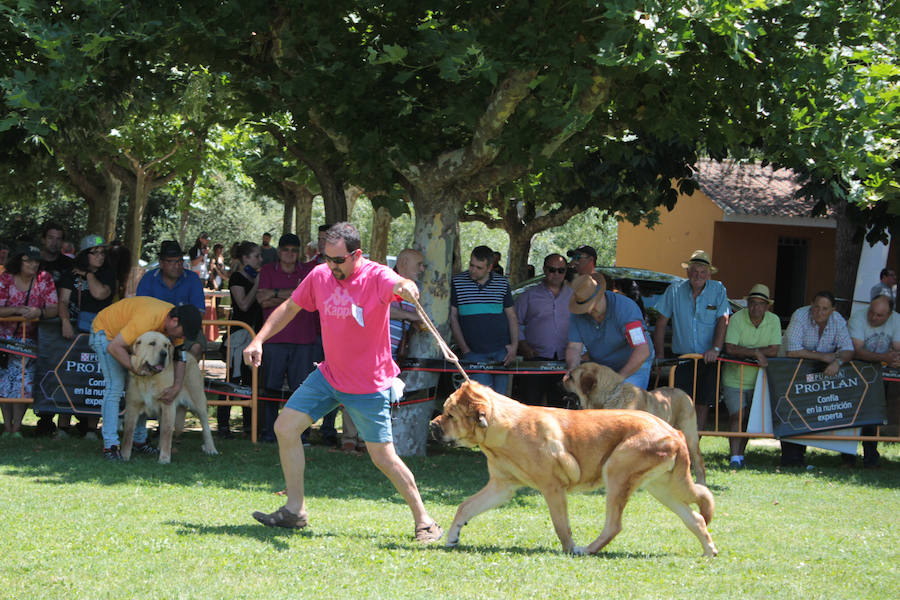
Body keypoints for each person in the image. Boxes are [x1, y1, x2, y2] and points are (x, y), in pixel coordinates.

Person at [244, 222, 442, 543]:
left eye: (338, 260)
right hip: (329, 375)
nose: (332, 266)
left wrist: (408, 288)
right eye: (327, 258)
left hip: (368, 384)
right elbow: (290, 306)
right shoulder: (320, 275)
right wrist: (259, 341)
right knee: (285, 427)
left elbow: (400, 282)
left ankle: (425, 521)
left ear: (357, 254)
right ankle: (295, 510)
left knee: (383, 458)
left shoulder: (376, 276)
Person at [90, 297, 202, 460]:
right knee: (115, 385)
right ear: (174, 321)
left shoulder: (175, 323)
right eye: (183, 333)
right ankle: (110, 446)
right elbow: (113, 347)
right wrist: (136, 370)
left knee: (143, 386)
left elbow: (180, 356)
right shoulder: (148, 319)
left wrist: (176, 387)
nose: (183, 337)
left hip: (125, 338)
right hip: (106, 333)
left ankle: (139, 442)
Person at [653, 250, 730, 431]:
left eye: (703, 271)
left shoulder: (718, 289)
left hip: (708, 358)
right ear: (687, 272)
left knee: (703, 403)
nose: (698, 275)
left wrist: (716, 349)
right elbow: (661, 323)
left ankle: (696, 444)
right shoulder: (674, 290)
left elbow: (724, 319)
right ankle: (678, 443)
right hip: (683, 357)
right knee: (680, 402)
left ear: (709, 274)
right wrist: (660, 355)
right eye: (694, 270)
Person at [781, 290, 854, 467]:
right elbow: (792, 351)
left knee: (826, 411)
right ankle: (792, 459)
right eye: (816, 307)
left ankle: (848, 459)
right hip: (791, 372)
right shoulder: (800, 315)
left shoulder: (838, 320)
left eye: (824, 309)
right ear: (811, 305)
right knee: (793, 413)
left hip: (819, 375)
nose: (819, 312)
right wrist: (823, 357)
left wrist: (838, 362)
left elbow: (848, 349)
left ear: (832, 310)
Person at [256, 233, 317, 443]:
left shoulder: (308, 271)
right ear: (278, 252)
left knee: (301, 390)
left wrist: (275, 294)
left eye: (294, 250)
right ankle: (268, 432)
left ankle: (301, 434)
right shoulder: (266, 270)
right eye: (285, 250)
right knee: (270, 389)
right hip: (274, 339)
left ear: (298, 252)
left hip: (304, 339)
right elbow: (262, 300)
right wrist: (296, 295)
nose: (289, 254)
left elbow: (312, 297)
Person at [57, 234, 116, 437]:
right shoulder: (69, 274)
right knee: (68, 377)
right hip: (73, 331)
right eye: (95, 252)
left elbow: (101, 294)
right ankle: (63, 426)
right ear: (84, 254)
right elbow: (62, 301)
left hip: (101, 332)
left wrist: (88, 274)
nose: (100, 256)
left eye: (102, 253)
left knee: (96, 378)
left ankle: (92, 428)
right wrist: (65, 321)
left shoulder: (108, 274)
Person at [0, 245, 58, 437]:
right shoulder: (5, 278)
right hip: (4, 341)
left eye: (36, 261)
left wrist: (38, 313)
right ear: (19, 261)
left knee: (23, 385)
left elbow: (54, 308)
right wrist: (16, 310)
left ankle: (17, 427)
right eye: (28, 260)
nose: (33, 264)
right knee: (5, 384)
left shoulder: (45, 279)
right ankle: (7, 427)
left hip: (30, 341)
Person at [721, 284, 781, 468]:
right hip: (734, 377)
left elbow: (774, 350)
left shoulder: (774, 320)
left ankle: (740, 454)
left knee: (747, 418)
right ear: (747, 303)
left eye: (760, 304)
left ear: (767, 306)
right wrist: (756, 353)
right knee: (736, 416)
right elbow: (730, 348)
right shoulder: (737, 318)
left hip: (758, 380)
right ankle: (734, 456)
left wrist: (746, 351)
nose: (755, 307)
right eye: (752, 303)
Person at [566, 272, 654, 389]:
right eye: (584, 308)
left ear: (601, 295)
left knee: (622, 398)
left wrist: (617, 380)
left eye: (591, 305)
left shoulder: (625, 309)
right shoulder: (577, 314)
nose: (588, 312)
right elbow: (574, 347)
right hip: (603, 366)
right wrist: (573, 369)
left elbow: (642, 350)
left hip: (634, 364)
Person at [449, 245, 518, 394]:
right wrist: (465, 349)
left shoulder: (502, 283)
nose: (473, 270)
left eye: (479, 267)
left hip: (501, 351)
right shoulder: (457, 282)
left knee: (501, 400)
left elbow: (511, 316)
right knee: (482, 400)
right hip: (474, 352)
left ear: (489, 268)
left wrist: (514, 346)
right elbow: (453, 317)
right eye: (471, 265)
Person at [847, 294, 900, 468]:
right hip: (855, 371)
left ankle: (870, 458)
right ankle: (847, 458)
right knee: (850, 415)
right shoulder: (858, 318)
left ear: (889, 315)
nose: (873, 318)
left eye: (879, 315)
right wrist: (885, 357)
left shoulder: (897, 320)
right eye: (872, 312)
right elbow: (857, 351)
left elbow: (898, 351)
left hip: (879, 374)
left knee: (874, 416)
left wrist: (892, 358)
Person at [218, 241, 264, 438]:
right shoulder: (237, 277)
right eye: (256, 256)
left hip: (254, 334)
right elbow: (243, 304)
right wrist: (258, 285)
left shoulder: (257, 277)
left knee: (250, 380)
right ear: (245, 258)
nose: (260, 260)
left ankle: (249, 426)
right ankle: (223, 424)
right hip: (238, 335)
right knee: (232, 379)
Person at [514, 253, 572, 406]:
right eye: (552, 270)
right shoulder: (529, 295)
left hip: (564, 360)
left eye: (561, 270)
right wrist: (522, 344)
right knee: (530, 406)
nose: (556, 274)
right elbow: (515, 321)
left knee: (559, 409)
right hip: (535, 359)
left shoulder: (574, 296)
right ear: (544, 270)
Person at [136, 240, 206, 361]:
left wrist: (178, 329)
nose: (178, 265)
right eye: (171, 261)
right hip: (154, 329)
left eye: (180, 260)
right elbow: (140, 310)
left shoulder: (192, 278)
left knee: (196, 347)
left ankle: (188, 377)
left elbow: (199, 313)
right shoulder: (148, 279)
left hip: (185, 330)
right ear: (161, 263)